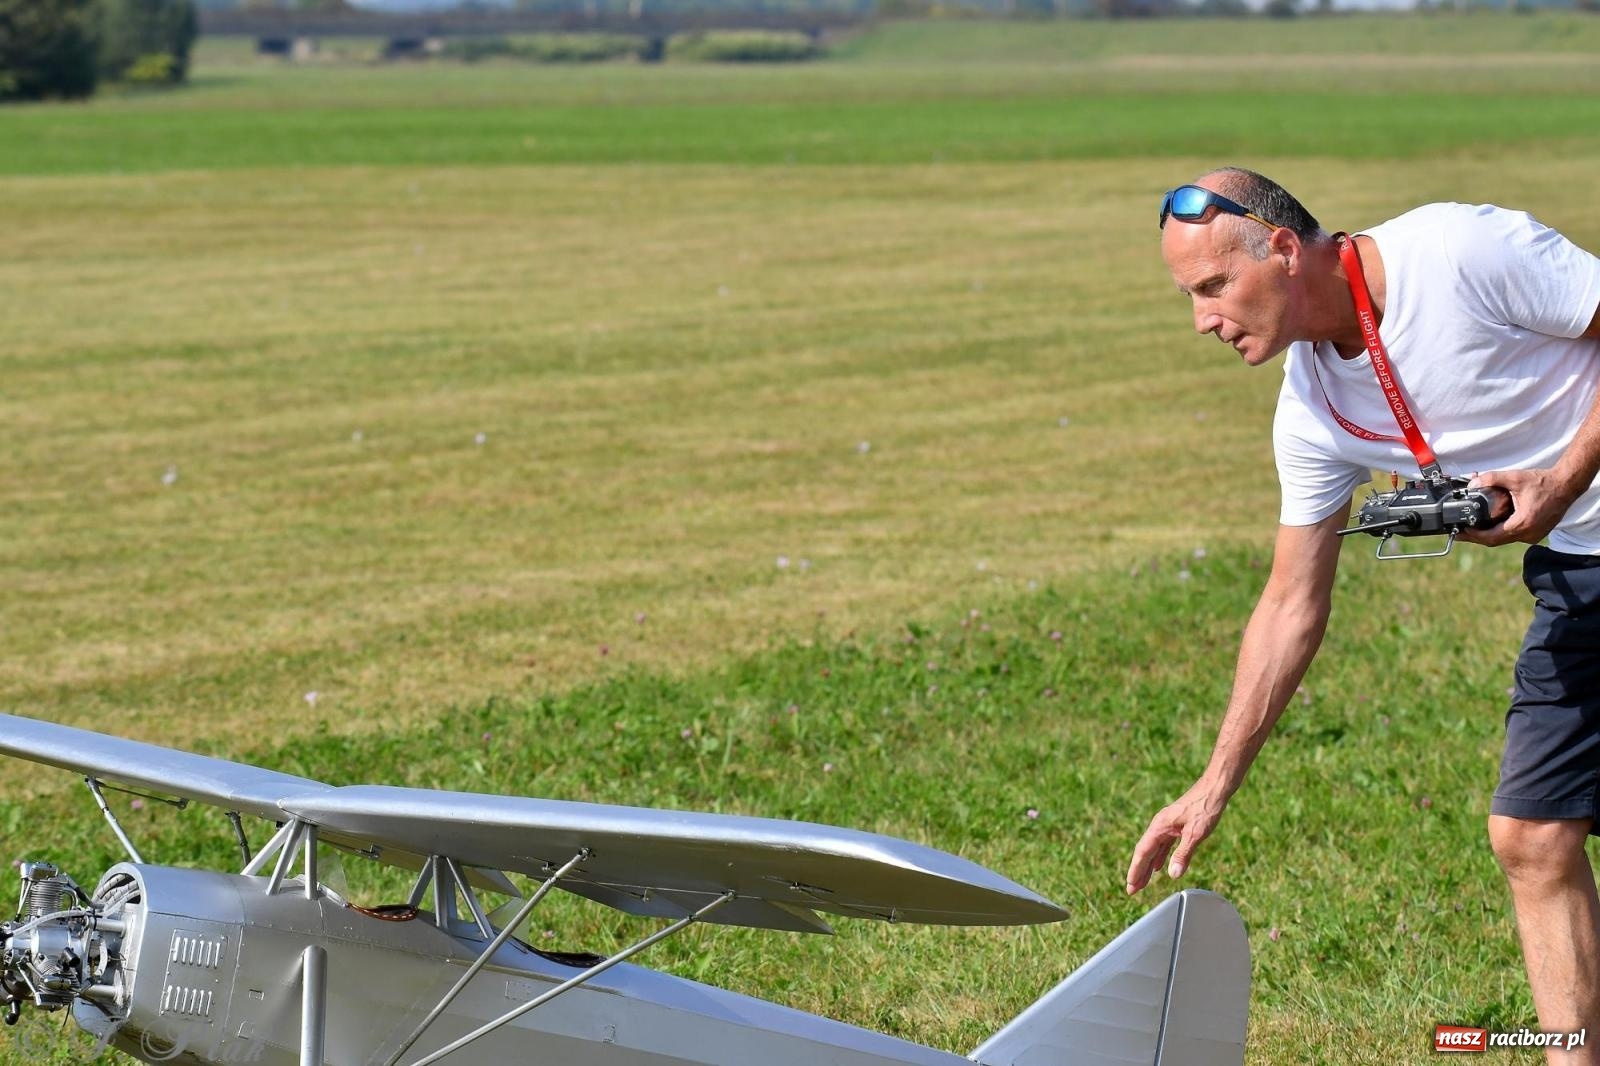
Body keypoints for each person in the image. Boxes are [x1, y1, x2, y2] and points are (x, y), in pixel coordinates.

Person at [1125, 167, 1600, 1061]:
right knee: (1532, 836)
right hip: (1582, 571)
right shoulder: (1312, 409)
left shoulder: (1458, 251)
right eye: (1189, 298)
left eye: (1212, 287)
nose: (1201, 320)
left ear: (1280, 249)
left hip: (1580, 527)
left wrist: (1563, 477)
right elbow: (1290, 602)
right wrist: (1213, 783)